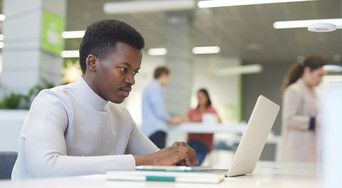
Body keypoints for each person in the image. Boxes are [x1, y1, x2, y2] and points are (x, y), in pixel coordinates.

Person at [11, 19, 197, 179]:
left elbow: (159, 160)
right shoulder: (53, 102)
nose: (131, 80)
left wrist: (176, 156)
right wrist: (148, 160)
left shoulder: (121, 117)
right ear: (92, 63)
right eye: (124, 69)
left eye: (135, 72)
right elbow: (44, 169)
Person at [281, 55, 327, 162]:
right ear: (307, 71)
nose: (321, 80)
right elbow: (289, 119)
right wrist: (315, 121)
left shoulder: (314, 93)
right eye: (319, 75)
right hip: (297, 152)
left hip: (312, 148)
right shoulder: (294, 90)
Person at [141, 66, 182, 148]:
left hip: (149, 130)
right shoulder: (156, 88)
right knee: (160, 158)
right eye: (168, 78)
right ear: (163, 75)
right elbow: (160, 112)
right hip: (156, 130)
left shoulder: (149, 87)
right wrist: (172, 120)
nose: (168, 81)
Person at [181, 89, 222, 166]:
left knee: (193, 166)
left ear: (207, 98)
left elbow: (219, 122)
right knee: (183, 164)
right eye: (198, 97)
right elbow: (184, 119)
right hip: (191, 143)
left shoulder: (211, 110)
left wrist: (193, 121)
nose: (200, 100)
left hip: (203, 144)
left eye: (201, 97)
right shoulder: (192, 111)